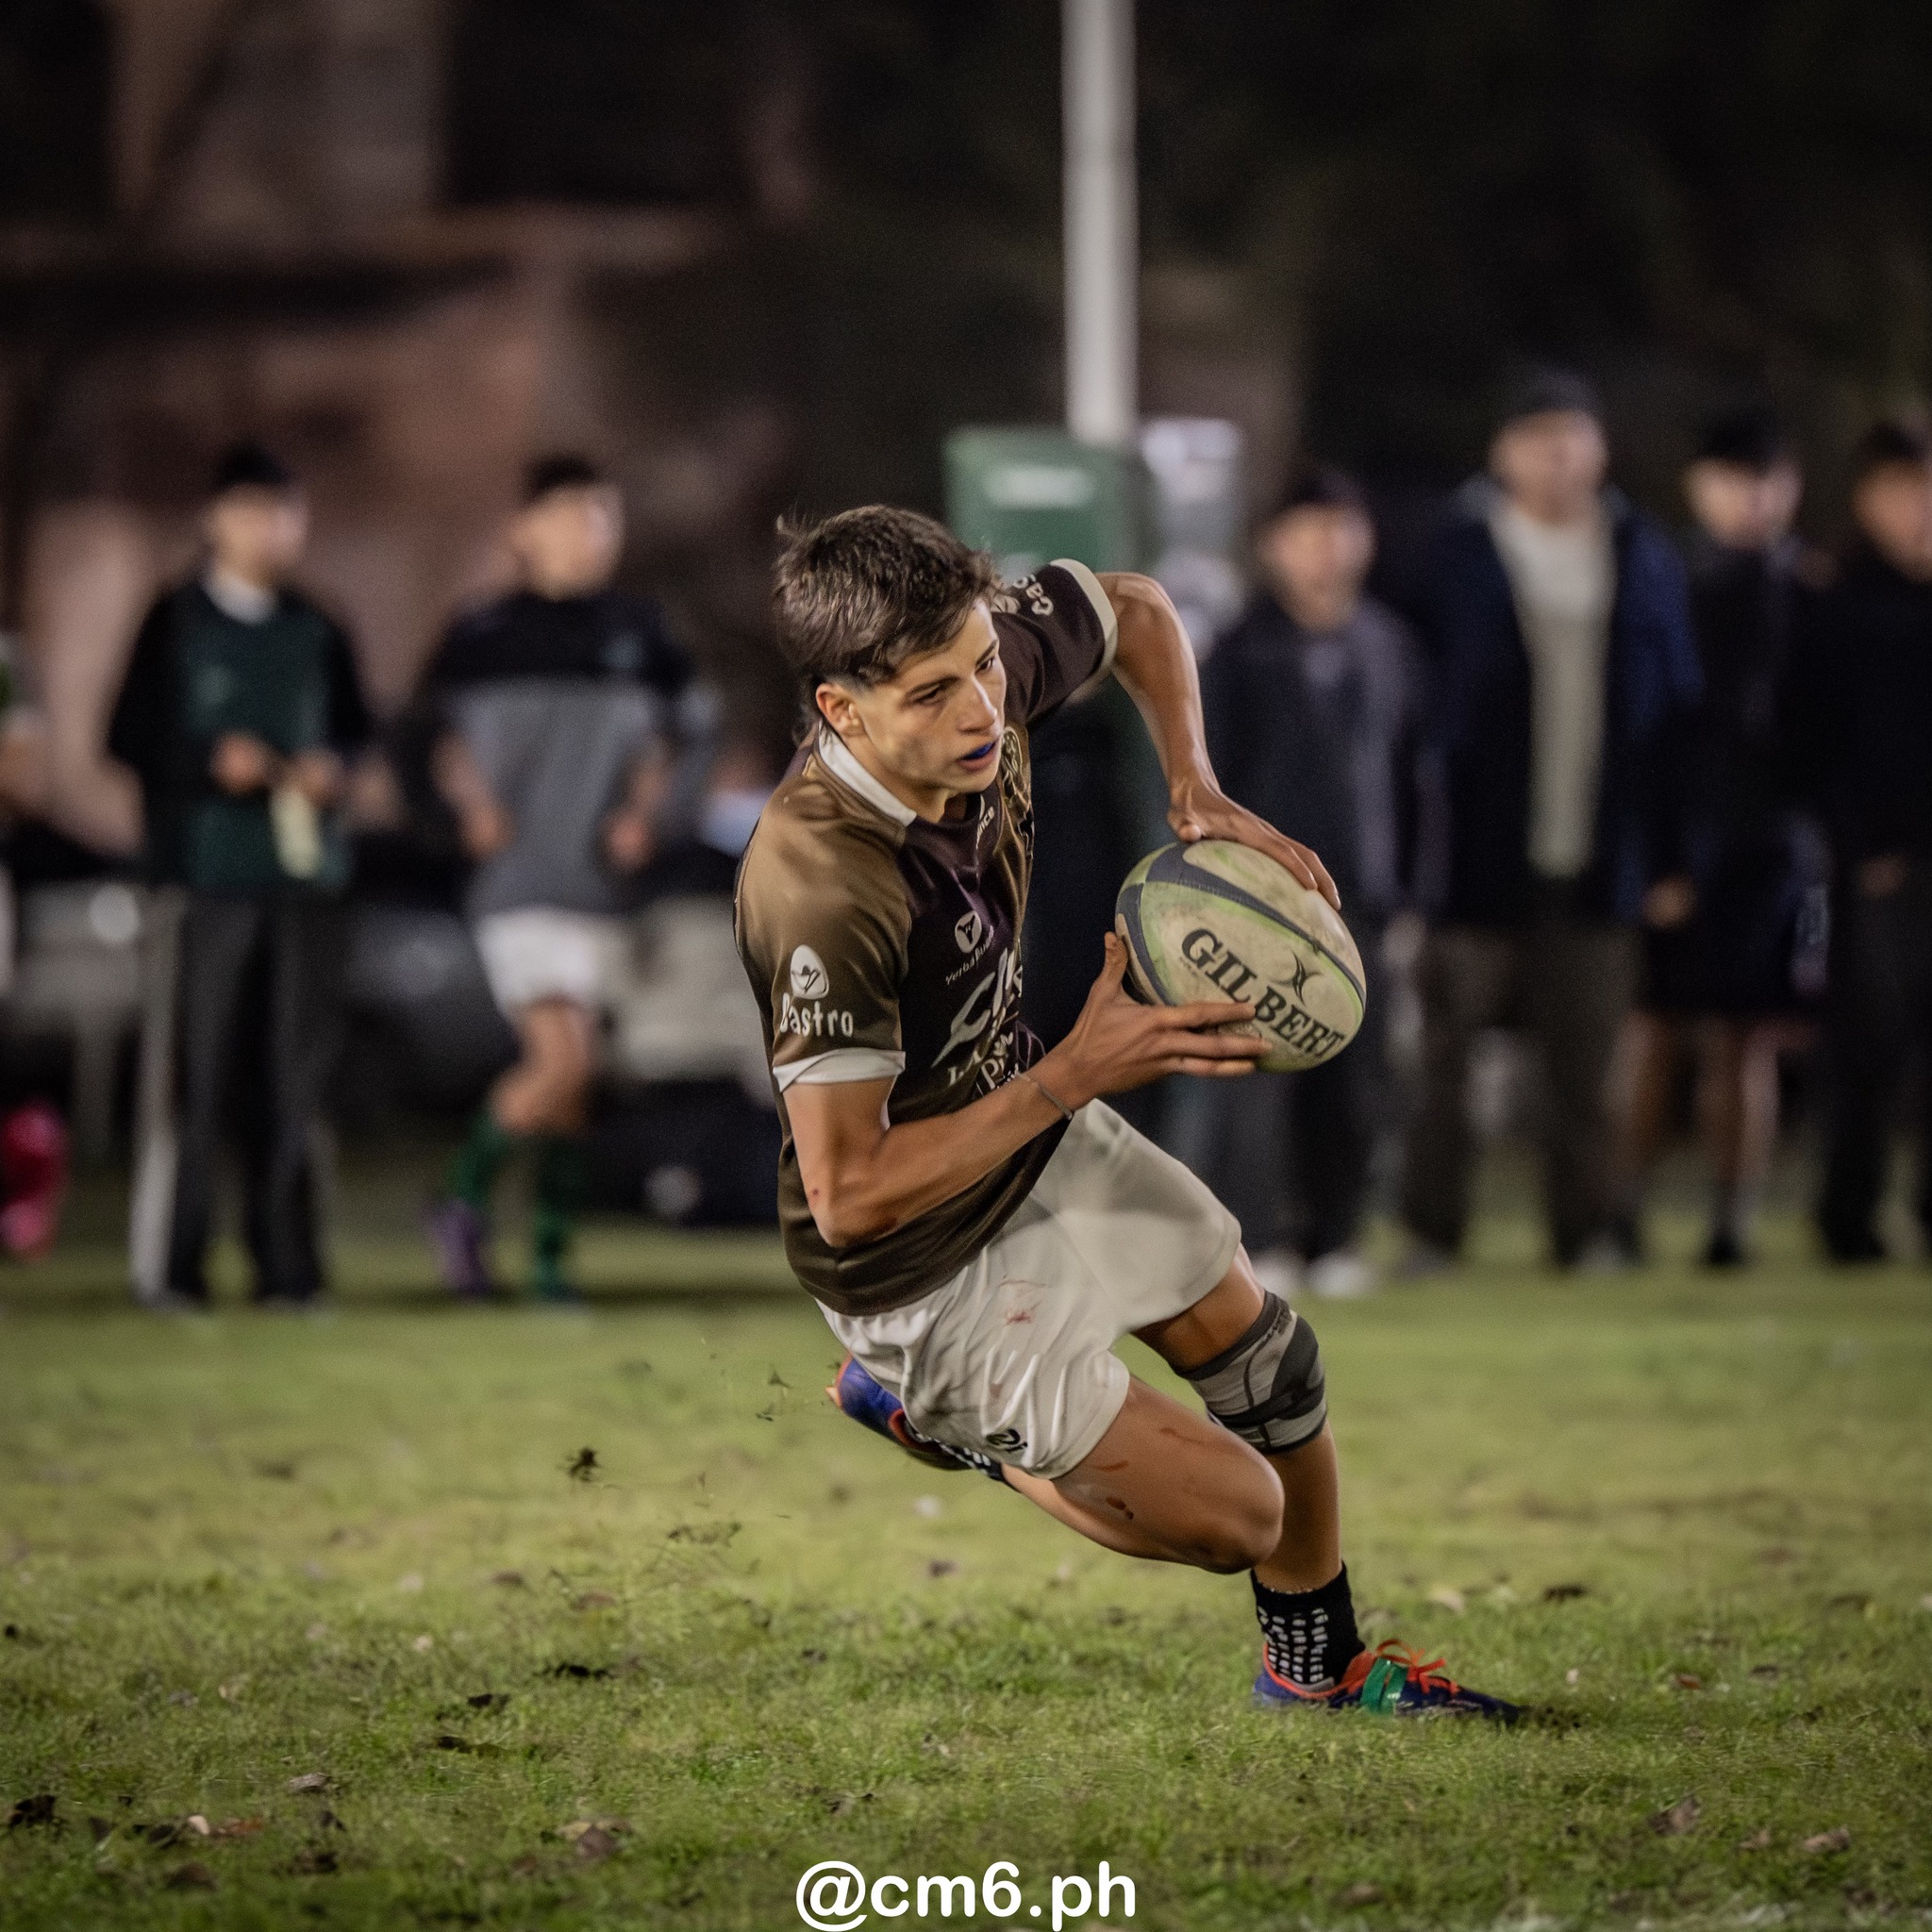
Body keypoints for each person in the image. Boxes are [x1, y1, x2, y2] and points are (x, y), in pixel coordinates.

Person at [735, 506, 1517, 1718]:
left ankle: (1315, 1673)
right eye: (934, 693)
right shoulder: (818, 880)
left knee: (1275, 1369)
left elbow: (1138, 606)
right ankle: (934, 1413)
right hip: (913, 1258)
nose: (981, 709)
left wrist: (1193, 786)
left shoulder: (974, 659)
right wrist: (1077, 1069)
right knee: (1237, 1515)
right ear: (842, 711)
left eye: (984, 666)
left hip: (1026, 1120)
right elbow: (851, 1195)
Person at [1401, 370, 1702, 1270]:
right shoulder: (1451, 556)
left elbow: (1680, 718)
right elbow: (1416, 716)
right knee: (1445, 1063)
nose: (1558, 457)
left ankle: (1586, 1234)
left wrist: (1676, 855)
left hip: (1603, 856)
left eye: (1573, 438)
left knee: (1585, 1069)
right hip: (1474, 862)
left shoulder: (1643, 554)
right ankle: (1431, 1232)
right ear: (1502, 452)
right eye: (1538, 439)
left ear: (1600, 448)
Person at [422, 455, 704, 1301]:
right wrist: (461, 815)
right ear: (525, 528)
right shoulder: (480, 634)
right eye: (574, 514)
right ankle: (458, 1199)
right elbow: (427, 746)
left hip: (596, 890)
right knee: (562, 1060)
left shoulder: (640, 633)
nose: (592, 533)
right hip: (517, 887)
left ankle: (548, 1260)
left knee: (576, 1086)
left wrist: (647, 819)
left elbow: (684, 740)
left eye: (603, 516)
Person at [108, 441, 370, 1307]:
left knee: (292, 1081)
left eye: (283, 512)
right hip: (203, 879)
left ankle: (288, 1271)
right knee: (197, 1077)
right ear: (215, 519)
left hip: (303, 881)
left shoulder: (318, 625)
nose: (268, 530)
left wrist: (332, 767)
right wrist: (204, 761)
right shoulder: (175, 621)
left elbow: (360, 731)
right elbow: (125, 736)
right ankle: (175, 1268)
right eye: (251, 510)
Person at [1194, 468, 1420, 1299]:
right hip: (1263, 903)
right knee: (1258, 1082)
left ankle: (1339, 1234)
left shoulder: (1387, 646)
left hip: (1361, 898)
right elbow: (1207, 782)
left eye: (1342, 528)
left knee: (1357, 1076)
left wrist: (1410, 889)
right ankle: (1262, 1234)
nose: (1327, 549)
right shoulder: (1238, 651)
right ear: (1272, 546)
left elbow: (1414, 776)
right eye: (1307, 531)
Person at [1619, 409, 1824, 1266]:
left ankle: (1731, 1223)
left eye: (1769, 480)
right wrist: (1659, 854)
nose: (1753, 498)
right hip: (1678, 844)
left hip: (1769, 850)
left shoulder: (1812, 592)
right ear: (1700, 488)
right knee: (1656, 1031)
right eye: (1737, 479)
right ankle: (1617, 1216)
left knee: (1746, 1037)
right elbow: (1645, 729)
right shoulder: (1666, 584)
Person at [1785, 421, 1932, 1262]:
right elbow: (1809, 741)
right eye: (1905, 490)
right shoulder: (1835, 599)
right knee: (1868, 1046)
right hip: (1875, 865)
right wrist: (1856, 841)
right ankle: (1850, 1220)